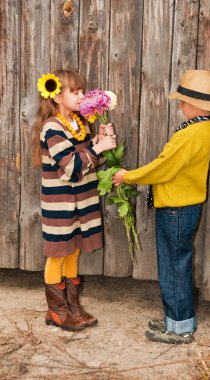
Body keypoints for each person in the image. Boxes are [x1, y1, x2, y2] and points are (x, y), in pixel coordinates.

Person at [112, 70, 210, 344]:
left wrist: (128, 176)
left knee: (174, 267)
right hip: (182, 208)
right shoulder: (202, 127)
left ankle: (179, 329)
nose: (180, 105)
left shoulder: (191, 133)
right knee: (176, 264)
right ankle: (176, 319)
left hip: (176, 210)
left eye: (183, 101)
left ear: (199, 105)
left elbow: (163, 168)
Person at [33, 69, 116, 331]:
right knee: (58, 253)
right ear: (57, 96)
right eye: (75, 91)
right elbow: (71, 167)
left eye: (82, 91)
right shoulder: (51, 128)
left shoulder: (80, 124)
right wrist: (97, 148)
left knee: (74, 250)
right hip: (61, 203)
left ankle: (73, 307)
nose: (81, 96)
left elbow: (89, 162)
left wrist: (99, 141)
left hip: (82, 200)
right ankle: (57, 311)